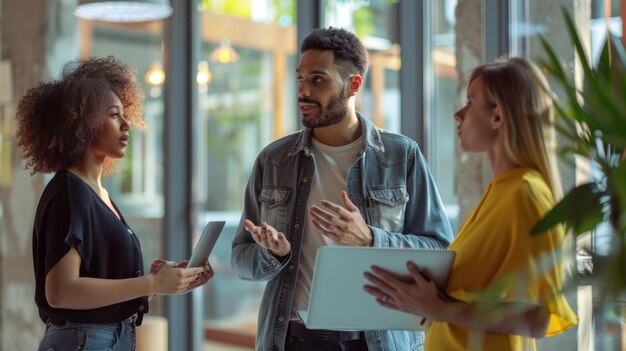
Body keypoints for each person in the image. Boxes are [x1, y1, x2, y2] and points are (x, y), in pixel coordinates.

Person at [231, 27, 454, 351]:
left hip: (376, 341)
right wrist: (272, 254)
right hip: (291, 340)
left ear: (354, 85)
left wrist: (371, 239)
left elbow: (440, 251)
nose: (303, 91)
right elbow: (240, 258)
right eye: (300, 79)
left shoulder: (400, 156)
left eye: (318, 79)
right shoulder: (273, 160)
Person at [363, 57, 578, 350]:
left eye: (470, 102)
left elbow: (537, 318)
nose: (458, 114)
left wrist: (439, 309)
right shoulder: (502, 191)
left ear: (497, 116)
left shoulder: (524, 194)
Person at [15, 56, 213, 351]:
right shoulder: (71, 191)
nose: (126, 124)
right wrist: (150, 284)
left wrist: (162, 282)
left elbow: (97, 288)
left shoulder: (96, 193)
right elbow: (60, 292)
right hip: (84, 340)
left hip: (106, 337)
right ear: (82, 122)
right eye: (113, 114)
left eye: (124, 113)